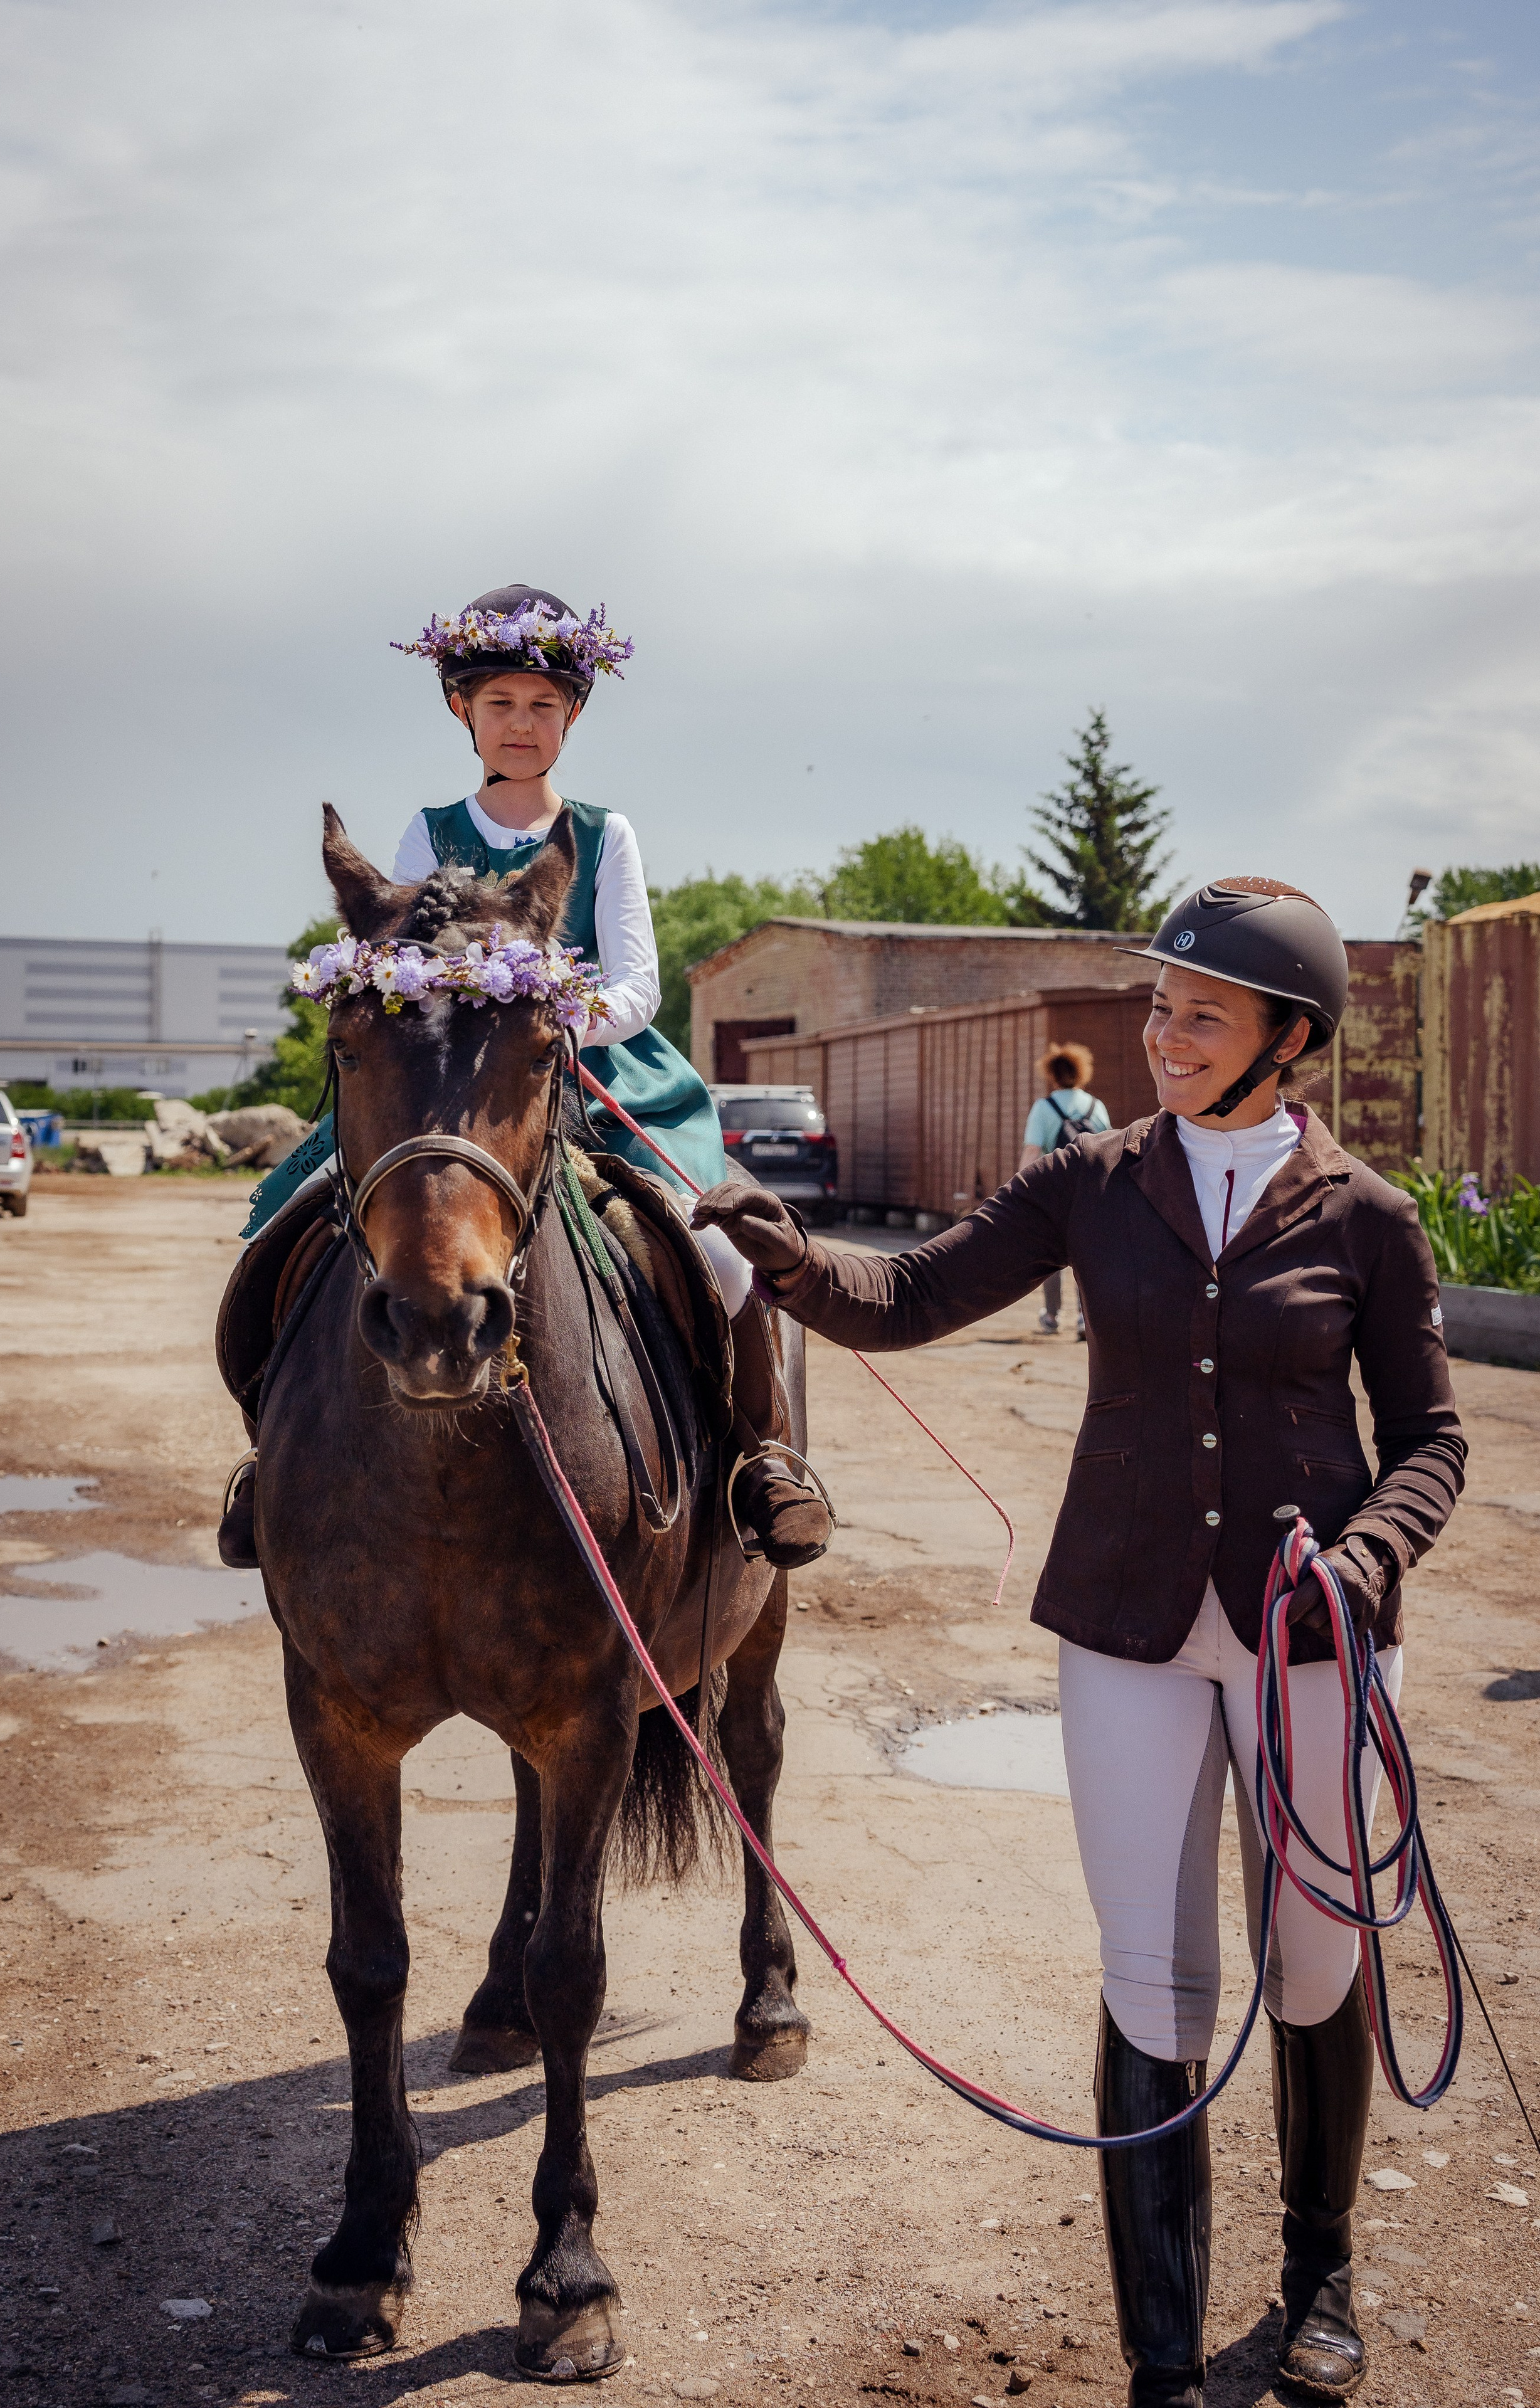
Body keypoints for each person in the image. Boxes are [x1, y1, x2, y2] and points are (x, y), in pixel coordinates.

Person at [691, 877, 1464, 2408]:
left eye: (1197, 1014)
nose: (1160, 1035)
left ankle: (1319, 2272)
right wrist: (789, 1261)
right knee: (1149, 1974)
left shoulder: (1368, 1217)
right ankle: (1159, 2355)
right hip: (1121, 1623)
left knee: (1314, 1961)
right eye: (1157, 1007)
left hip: (1310, 1635)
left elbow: (1430, 1439)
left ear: (1283, 1039)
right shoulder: (1092, 1179)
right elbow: (908, 1292)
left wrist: (1367, 1551)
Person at [219, 584, 831, 1575]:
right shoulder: (429, 831)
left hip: (590, 1072)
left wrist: (548, 1020)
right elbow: (406, 958)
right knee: (281, 1230)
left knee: (719, 1258)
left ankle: (762, 1458)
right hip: (446, 1086)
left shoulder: (606, 833)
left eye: (543, 706)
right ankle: (267, 1454)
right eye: (501, 704)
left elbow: (638, 980)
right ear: (462, 711)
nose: (522, 723)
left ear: (573, 717)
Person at [1020, 1040, 1109, 1337]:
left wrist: (1021, 1191)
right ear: (1082, 1073)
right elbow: (1109, 1149)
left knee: (1053, 1256)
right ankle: (1087, 1318)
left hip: (1056, 1193)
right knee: (1089, 1257)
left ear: (1052, 1075)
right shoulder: (1097, 1106)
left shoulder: (1044, 1108)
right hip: (1093, 1192)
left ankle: (1052, 1317)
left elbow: (1033, 1152)